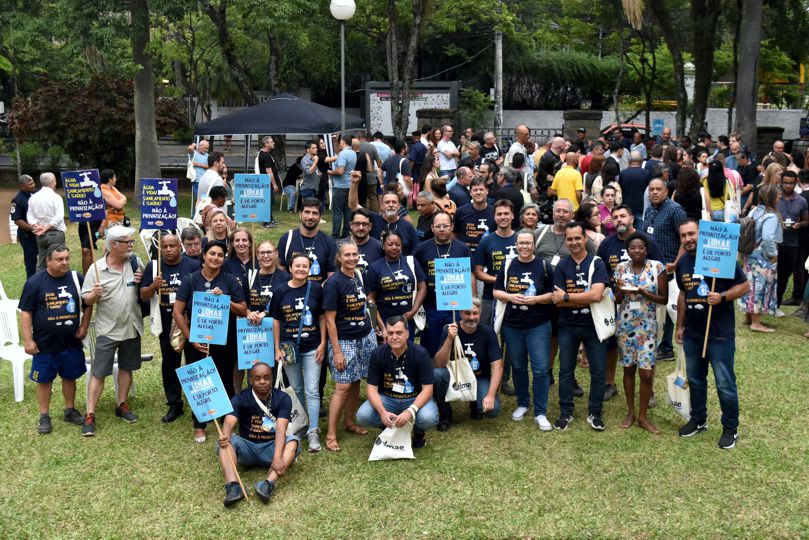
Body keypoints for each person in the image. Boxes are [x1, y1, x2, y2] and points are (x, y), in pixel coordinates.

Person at [675, 220, 749, 449]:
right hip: (693, 333)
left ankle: (730, 428)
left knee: (724, 383)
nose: (688, 239)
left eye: (692, 234)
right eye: (683, 236)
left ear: (701, 234)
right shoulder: (682, 263)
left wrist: (723, 296)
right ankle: (698, 419)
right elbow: (682, 294)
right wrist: (679, 326)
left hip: (719, 334)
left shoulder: (722, 258)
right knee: (696, 380)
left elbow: (744, 286)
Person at [174, 240, 248, 442]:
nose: (216, 258)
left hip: (225, 341)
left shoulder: (230, 280)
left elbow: (243, 309)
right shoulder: (190, 280)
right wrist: (191, 339)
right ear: (204, 256)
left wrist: (225, 300)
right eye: (212, 254)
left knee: (226, 381)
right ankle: (199, 424)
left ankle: (227, 422)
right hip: (198, 342)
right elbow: (178, 312)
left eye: (220, 255)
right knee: (200, 382)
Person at [20, 245, 92, 434]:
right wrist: (28, 340)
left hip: (71, 342)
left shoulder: (76, 279)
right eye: (60, 259)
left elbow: (88, 304)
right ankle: (44, 415)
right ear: (48, 261)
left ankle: (70, 409)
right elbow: (26, 313)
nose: (65, 262)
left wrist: (84, 326)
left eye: (67, 258)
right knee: (44, 380)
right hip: (44, 345)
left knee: (70, 376)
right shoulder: (35, 282)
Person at [80, 226, 144, 437]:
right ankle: (90, 414)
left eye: (131, 241)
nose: (131, 245)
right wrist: (94, 294)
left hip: (131, 326)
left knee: (126, 368)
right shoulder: (96, 269)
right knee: (99, 372)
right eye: (127, 242)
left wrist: (142, 280)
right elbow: (86, 300)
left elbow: (144, 290)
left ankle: (121, 404)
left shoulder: (134, 262)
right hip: (108, 329)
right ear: (113, 244)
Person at [597, 204, 665, 401]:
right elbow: (600, 270)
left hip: (647, 311)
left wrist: (647, 290)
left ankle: (649, 390)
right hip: (616, 304)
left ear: (632, 218)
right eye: (615, 217)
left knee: (647, 353)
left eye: (623, 216)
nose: (619, 219)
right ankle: (610, 383)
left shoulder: (647, 241)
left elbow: (660, 272)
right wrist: (613, 288)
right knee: (612, 345)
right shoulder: (607, 244)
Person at [551, 222, 611, 431]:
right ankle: (565, 412)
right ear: (565, 241)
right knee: (566, 370)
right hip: (567, 324)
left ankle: (595, 413)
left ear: (585, 239)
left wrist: (568, 297)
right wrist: (582, 299)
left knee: (598, 371)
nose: (574, 242)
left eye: (577, 238)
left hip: (593, 325)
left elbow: (596, 295)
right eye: (569, 239)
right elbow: (556, 301)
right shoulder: (562, 265)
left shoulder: (597, 263)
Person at [493, 229, 554, 430]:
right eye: (521, 243)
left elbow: (553, 294)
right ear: (516, 244)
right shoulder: (508, 265)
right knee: (518, 366)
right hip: (513, 325)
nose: (524, 246)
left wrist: (536, 299)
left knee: (541, 369)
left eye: (528, 243)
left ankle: (540, 412)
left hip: (538, 325)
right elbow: (496, 291)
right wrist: (510, 297)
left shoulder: (543, 265)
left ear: (534, 245)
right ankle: (522, 403)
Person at [217, 363, 300, 507]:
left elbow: (281, 429)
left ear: (271, 379)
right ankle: (233, 487)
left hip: (271, 448)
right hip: (247, 448)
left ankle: (267, 484)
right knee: (226, 442)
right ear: (250, 380)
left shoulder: (283, 398)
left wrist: (277, 457)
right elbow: (229, 422)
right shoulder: (241, 398)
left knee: (293, 441)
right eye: (257, 378)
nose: (262, 382)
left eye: (266, 378)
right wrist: (225, 435)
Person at [321, 240, 377, 452]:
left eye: (355, 254)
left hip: (365, 336)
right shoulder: (334, 283)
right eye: (347, 255)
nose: (352, 258)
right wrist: (337, 351)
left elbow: (365, 306)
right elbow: (330, 321)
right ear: (339, 258)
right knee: (342, 386)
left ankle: (350, 421)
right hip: (344, 340)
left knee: (356, 381)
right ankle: (331, 434)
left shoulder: (359, 276)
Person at [139, 233, 200, 423]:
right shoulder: (154, 267)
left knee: (194, 362)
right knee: (170, 363)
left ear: (179, 246)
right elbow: (143, 295)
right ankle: (175, 404)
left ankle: (199, 403)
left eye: (172, 246)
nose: (168, 250)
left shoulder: (193, 265)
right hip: (166, 322)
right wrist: (153, 286)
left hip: (191, 322)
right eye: (164, 247)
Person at [268, 253, 325, 453]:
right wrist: (276, 348)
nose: (301, 269)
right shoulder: (280, 291)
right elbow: (276, 321)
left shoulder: (316, 289)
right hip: (289, 349)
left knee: (312, 390)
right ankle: (302, 423)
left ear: (309, 269)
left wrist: (323, 343)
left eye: (305, 266)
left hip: (313, 347)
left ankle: (314, 430)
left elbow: (322, 317)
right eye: (297, 266)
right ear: (290, 268)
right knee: (297, 388)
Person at [355, 316, 439, 449]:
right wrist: (382, 413)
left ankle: (418, 432)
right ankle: (388, 427)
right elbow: (371, 389)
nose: (394, 337)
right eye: (390, 333)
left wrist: (410, 411)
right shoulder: (377, 354)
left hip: (414, 397)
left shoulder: (421, 353)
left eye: (399, 333)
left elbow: (428, 389)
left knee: (428, 418)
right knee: (363, 415)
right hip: (388, 398)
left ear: (407, 334)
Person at [613, 233, 667, 434]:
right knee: (628, 369)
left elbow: (663, 299)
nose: (637, 250)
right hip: (626, 326)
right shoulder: (620, 268)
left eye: (641, 247)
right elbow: (618, 299)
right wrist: (620, 289)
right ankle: (631, 412)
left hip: (647, 326)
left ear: (646, 249)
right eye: (633, 247)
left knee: (646, 373)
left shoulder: (657, 267)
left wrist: (644, 293)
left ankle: (643, 417)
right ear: (628, 250)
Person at [433, 298, 503, 430]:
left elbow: (498, 365)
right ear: (460, 313)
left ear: (480, 314)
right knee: (436, 375)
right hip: (456, 375)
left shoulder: (487, 332)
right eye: (467, 313)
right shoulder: (449, 329)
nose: (471, 317)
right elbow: (439, 363)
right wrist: (449, 338)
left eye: (475, 313)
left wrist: (490, 395)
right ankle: (445, 414)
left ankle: (475, 403)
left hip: (479, 377)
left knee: (491, 411)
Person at [412, 212, 474, 357]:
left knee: (457, 347)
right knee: (431, 347)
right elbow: (415, 276)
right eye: (438, 226)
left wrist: (472, 301)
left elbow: (471, 275)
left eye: (445, 226)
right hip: (431, 308)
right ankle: (432, 371)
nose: (441, 229)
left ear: (452, 227)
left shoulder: (462, 248)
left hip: (456, 308)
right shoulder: (421, 249)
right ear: (432, 228)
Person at [641, 178, 687, 361]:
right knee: (654, 305)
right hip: (652, 268)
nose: (654, 192)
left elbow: (685, 238)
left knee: (669, 308)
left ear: (666, 191)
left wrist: (676, 262)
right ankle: (654, 341)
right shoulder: (650, 210)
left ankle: (666, 347)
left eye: (658, 189)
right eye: (651, 189)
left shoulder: (675, 210)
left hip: (670, 268)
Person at [366, 230, 427, 337]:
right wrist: (379, 324)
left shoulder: (411, 262)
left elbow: (422, 287)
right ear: (383, 245)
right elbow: (370, 298)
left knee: (407, 346)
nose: (394, 247)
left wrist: (413, 311)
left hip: (406, 318)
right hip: (384, 319)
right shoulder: (375, 267)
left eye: (398, 244)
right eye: (390, 244)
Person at [739, 184, 781, 332]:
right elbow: (768, 238)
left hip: (750, 252)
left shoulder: (754, 210)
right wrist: (773, 254)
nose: (780, 196)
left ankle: (748, 317)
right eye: (778, 194)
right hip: (762, 256)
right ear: (772, 197)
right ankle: (756, 323)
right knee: (759, 286)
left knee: (750, 284)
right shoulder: (771, 216)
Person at [473, 199, 517, 326]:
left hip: (517, 295)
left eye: (506, 213)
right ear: (494, 217)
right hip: (490, 297)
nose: (503, 217)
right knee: (487, 332)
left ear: (512, 215)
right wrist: (497, 279)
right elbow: (478, 272)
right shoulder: (486, 241)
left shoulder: (521, 239)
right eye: (499, 214)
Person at [349, 175, 417, 255]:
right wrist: (354, 183)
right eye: (387, 202)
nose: (391, 205)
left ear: (399, 206)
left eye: (394, 202)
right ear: (381, 205)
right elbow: (353, 205)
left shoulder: (408, 227)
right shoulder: (373, 219)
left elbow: (416, 251)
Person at [276, 198, 337, 284]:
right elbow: (279, 270)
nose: (310, 217)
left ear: (320, 217)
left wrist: (321, 289)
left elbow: (332, 274)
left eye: (315, 213)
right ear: (300, 214)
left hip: (319, 291)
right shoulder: (287, 239)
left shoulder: (328, 242)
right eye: (307, 212)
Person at [776, 170, 809, 309]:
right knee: (771, 274)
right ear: (781, 182)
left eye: (791, 183)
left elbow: (806, 220)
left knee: (784, 276)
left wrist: (799, 224)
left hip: (792, 243)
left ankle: (777, 303)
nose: (788, 186)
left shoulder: (801, 201)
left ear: (796, 183)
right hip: (775, 242)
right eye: (785, 183)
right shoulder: (775, 198)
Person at [27, 172, 66, 272]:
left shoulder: (33, 197)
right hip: (55, 233)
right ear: (52, 182)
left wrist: (37, 226)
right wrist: (45, 228)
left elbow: (30, 216)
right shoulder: (56, 197)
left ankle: (39, 281)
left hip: (40, 235)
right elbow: (59, 217)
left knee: (42, 261)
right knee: (58, 261)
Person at [453, 177, 495, 255]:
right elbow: (454, 234)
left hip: (488, 255)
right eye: (475, 190)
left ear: (487, 191)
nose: (478, 192)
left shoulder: (495, 212)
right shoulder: (460, 212)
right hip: (465, 256)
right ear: (470, 193)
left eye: (481, 189)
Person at [327, 135, 356, 239]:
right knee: (347, 212)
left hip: (340, 186)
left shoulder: (343, 154)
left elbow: (340, 171)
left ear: (343, 142)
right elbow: (338, 153)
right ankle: (346, 234)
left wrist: (330, 172)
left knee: (337, 212)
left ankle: (335, 235)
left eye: (339, 142)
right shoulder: (353, 153)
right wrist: (335, 141)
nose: (339, 144)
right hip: (349, 186)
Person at [11, 174, 39, 277]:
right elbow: (17, 220)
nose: (33, 185)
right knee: (31, 263)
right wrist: (32, 229)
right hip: (28, 236)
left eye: (33, 183)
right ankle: (31, 283)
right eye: (30, 184)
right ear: (22, 186)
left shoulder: (37, 194)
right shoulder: (17, 200)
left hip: (42, 232)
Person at [619, 152, 652, 223]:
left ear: (629, 161)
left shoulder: (623, 173)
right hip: (641, 207)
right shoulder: (646, 173)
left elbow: (620, 190)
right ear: (641, 160)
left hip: (626, 207)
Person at [349, 208, 384, 276]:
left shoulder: (379, 247)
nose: (361, 228)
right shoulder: (341, 247)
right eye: (357, 224)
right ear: (351, 225)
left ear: (370, 226)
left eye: (364, 224)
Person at [257, 136, 281, 226]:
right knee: (268, 201)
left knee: (270, 201)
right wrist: (274, 184)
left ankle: (269, 218)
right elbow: (269, 171)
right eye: (271, 142)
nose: (273, 143)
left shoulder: (264, 153)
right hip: (267, 183)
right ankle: (265, 222)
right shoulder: (266, 156)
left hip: (265, 182)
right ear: (266, 144)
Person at [188, 139, 210, 211]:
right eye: (205, 148)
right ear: (200, 146)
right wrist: (193, 145)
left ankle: (199, 214)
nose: (207, 150)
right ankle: (197, 214)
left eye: (207, 148)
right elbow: (190, 149)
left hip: (205, 181)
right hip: (197, 180)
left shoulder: (207, 156)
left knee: (204, 199)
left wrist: (198, 164)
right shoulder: (194, 154)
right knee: (201, 199)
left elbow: (209, 166)